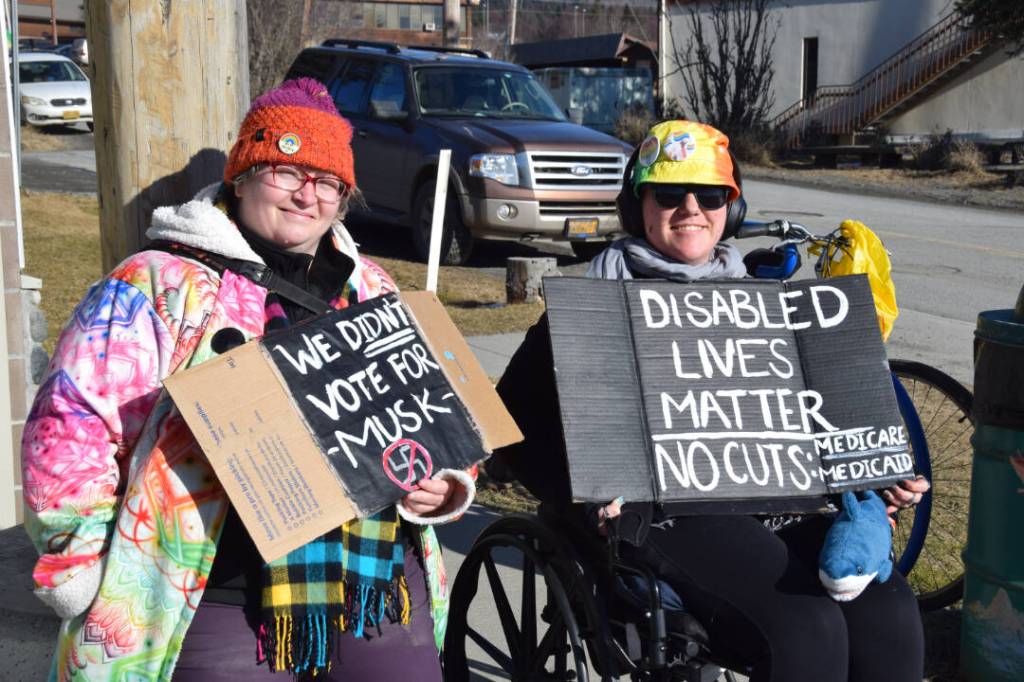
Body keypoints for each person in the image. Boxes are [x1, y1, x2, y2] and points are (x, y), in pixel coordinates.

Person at [22, 78, 475, 681]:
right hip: (218, 590)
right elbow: (70, 426)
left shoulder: (372, 287)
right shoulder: (156, 285)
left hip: (375, 582)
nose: (305, 195)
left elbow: (441, 416)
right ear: (243, 174)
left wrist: (444, 485)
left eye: (328, 182)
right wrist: (80, 562)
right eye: (286, 171)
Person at [492, 120, 930, 682]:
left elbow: (825, 421)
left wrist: (873, 471)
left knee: (889, 610)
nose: (691, 208)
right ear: (639, 205)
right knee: (806, 626)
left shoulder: (765, 304)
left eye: (712, 194)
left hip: (779, 502)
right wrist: (590, 493)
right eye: (670, 193)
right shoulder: (590, 307)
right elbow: (514, 424)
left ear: (733, 207)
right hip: (672, 514)